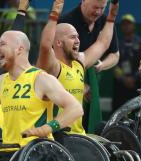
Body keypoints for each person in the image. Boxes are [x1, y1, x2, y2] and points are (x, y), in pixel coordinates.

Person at [0, 30, 84, 151]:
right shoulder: (2, 80)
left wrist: (46, 129)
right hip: (8, 150)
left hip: (36, 152)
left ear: (19, 49)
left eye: (2, 44)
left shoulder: (41, 78)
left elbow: (76, 108)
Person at [37, 0, 117, 135]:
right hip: (55, 136)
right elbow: (45, 45)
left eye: (78, 37)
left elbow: (103, 43)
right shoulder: (52, 67)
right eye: (73, 37)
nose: (78, 41)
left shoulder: (80, 62)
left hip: (79, 135)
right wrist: (54, 14)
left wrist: (112, 16)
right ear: (58, 42)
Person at [112, 13, 141, 111]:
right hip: (121, 88)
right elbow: (113, 65)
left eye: (129, 23)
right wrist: (123, 79)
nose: (126, 26)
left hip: (137, 86)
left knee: (139, 113)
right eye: (124, 24)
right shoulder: (117, 44)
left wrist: (134, 78)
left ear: (134, 25)